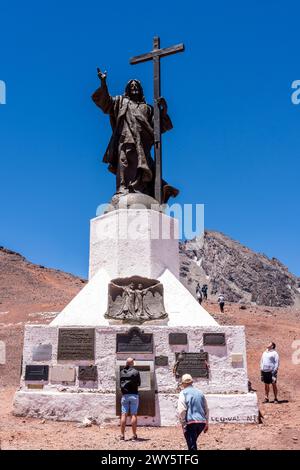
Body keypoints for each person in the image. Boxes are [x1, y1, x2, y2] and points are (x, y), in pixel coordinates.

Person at [92, 70, 179, 203]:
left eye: (136, 86)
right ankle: (122, 189)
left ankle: (140, 190)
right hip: (125, 138)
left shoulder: (148, 108)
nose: (134, 87)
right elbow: (107, 102)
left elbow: (158, 127)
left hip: (142, 144)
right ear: (127, 89)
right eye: (131, 86)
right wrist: (103, 82)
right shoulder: (121, 102)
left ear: (140, 90)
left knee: (140, 167)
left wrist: (164, 109)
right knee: (124, 163)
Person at [177, 374, 209, 451]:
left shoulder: (183, 393)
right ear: (191, 382)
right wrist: (206, 423)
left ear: (183, 384)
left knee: (191, 445)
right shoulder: (200, 392)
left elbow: (182, 410)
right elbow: (206, 409)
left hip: (190, 422)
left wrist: (183, 423)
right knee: (192, 442)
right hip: (201, 422)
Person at [120, 358, 141, 440]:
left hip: (125, 395)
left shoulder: (122, 372)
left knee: (123, 415)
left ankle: (122, 435)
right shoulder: (136, 372)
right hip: (134, 395)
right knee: (133, 415)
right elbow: (139, 383)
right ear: (132, 363)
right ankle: (134, 435)